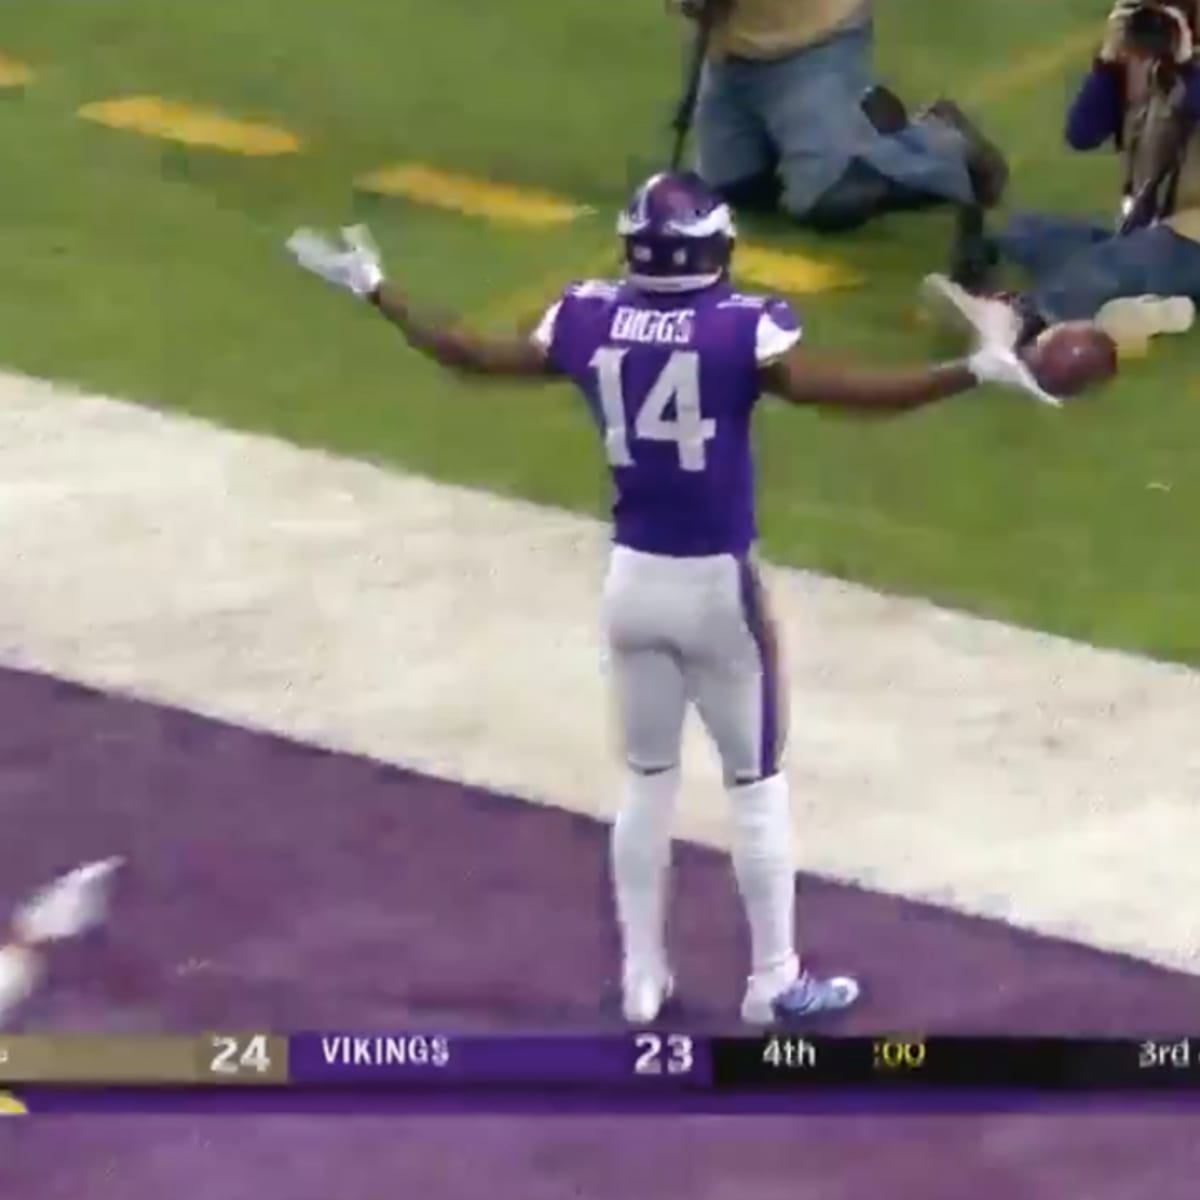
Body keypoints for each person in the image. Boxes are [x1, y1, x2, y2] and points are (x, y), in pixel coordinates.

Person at [286, 172, 1051, 1026]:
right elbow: (849, 396)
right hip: (716, 586)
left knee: (646, 782)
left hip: (632, 582)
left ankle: (642, 977)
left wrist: (379, 290)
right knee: (755, 784)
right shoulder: (740, 327)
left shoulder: (586, 315)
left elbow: (466, 354)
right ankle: (772, 981)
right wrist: (969, 374)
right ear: (714, 248)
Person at [949, 0, 1200, 347]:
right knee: (1020, 229)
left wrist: (1188, 68)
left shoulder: (1186, 69)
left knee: (1110, 264)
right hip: (1144, 235)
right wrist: (1108, 62)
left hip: (1191, 240)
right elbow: (1081, 135)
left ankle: (1022, 316)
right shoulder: (1148, 60)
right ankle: (1147, 307)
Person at [673, 0, 1008, 232]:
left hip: (813, 40)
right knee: (733, 189)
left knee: (833, 197)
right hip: (731, 55)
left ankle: (945, 145)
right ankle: (822, 133)